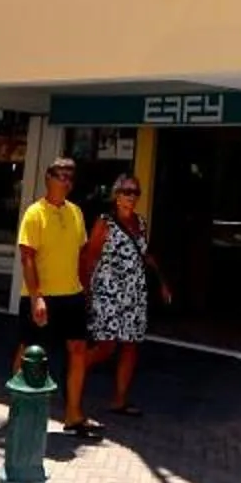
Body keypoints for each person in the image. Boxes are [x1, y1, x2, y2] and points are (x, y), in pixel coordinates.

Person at [16, 155, 92, 435]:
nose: (66, 181)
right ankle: (19, 408)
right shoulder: (35, 213)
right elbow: (27, 258)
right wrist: (36, 296)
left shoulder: (76, 213)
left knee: (78, 350)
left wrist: (85, 289)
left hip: (71, 295)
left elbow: (81, 256)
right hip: (42, 296)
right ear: (48, 178)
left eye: (70, 177)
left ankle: (73, 414)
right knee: (29, 351)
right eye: (61, 175)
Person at [83, 174, 167, 417]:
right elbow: (91, 256)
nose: (131, 197)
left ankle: (119, 400)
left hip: (134, 292)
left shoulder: (140, 223)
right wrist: (86, 290)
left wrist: (162, 281)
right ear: (116, 195)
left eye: (135, 192)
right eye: (127, 192)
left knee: (130, 345)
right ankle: (75, 373)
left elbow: (145, 253)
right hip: (108, 292)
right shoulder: (104, 223)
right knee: (106, 346)